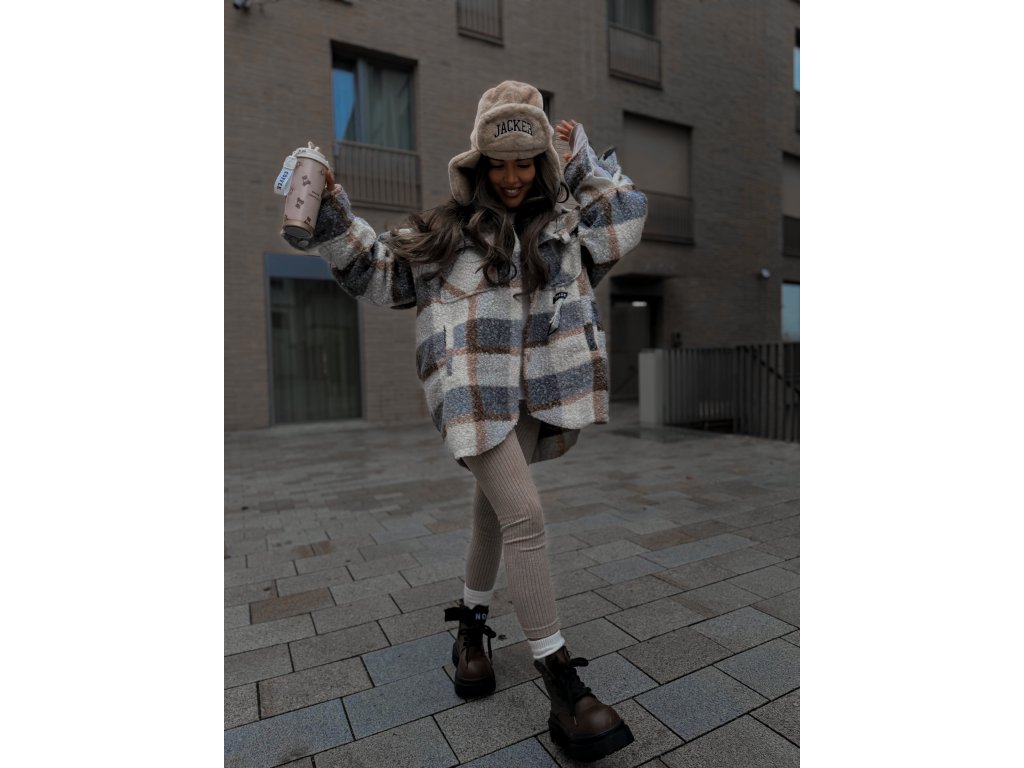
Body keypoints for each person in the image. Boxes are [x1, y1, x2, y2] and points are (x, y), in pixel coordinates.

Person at [282, 80, 647, 763]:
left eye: (525, 162)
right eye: (498, 164)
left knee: (493, 515)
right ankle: (562, 685)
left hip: (535, 393)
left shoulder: (564, 228)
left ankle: (471, 630)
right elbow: (377, 274)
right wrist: (330, 208)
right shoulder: (446, 232)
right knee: (525, 516)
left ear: (540, 164)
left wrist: (580, 161)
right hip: (473, 398)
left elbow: (623, 221)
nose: (511, 178)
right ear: (476, 164)